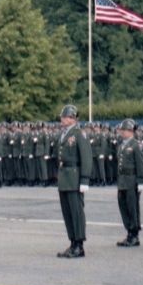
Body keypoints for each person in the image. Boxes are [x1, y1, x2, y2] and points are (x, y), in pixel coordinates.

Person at [55, 104, 92, 258]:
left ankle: (79, 245)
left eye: (65, 117)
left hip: (75, 177)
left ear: (72, 119)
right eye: (63, 117)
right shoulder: (64, 134)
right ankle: (72, 242)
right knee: (68, 213)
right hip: (65, 178)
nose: (63, 120)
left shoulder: (79, 134)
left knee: (76, 213)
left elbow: (86, 157)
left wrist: (84, 179)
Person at [114, 118, 143, 247]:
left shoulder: (135, 145)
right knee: (124, 207)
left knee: (132, 208)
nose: (122, 132)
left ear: (130, 131)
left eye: (124, 130)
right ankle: (129, 232)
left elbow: (141, 163)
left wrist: (141, 180)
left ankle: (134, 234)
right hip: (122, 180)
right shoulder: (122, 145)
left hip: (131, 180)